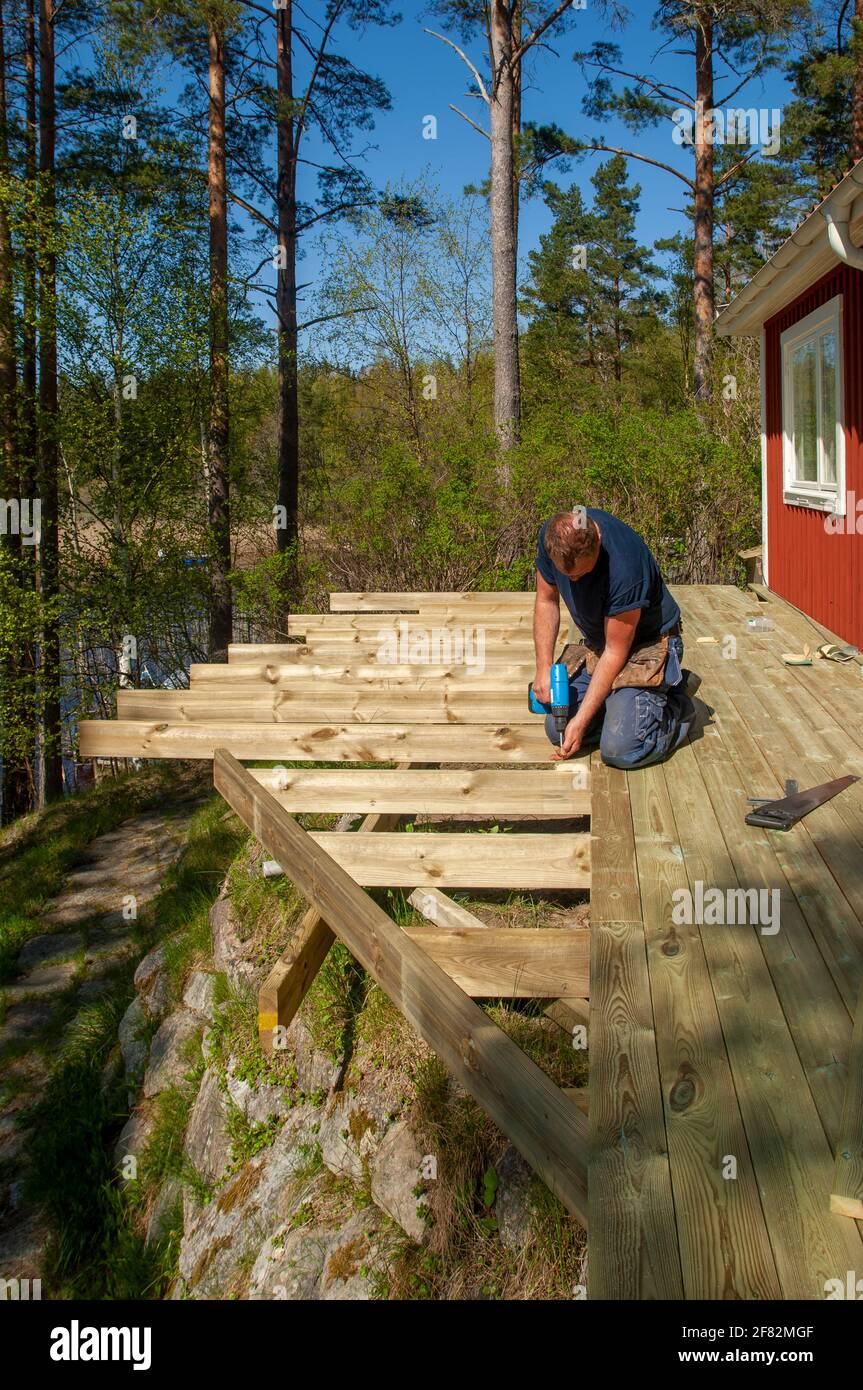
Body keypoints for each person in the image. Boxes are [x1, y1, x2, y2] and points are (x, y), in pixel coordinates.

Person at [533, 508, 696, 769]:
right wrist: (543, 668)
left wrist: (582, 721)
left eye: (582, 574)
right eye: (568, 575)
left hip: (649, 647)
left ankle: (678, 704)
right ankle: (622, 708)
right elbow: (545, 600)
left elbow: (616, 651)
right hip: (600, 645)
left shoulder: (624, 565)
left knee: (621, 750)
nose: (574, 580)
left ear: (597, 539)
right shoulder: (553, 536)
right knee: (557, 728)